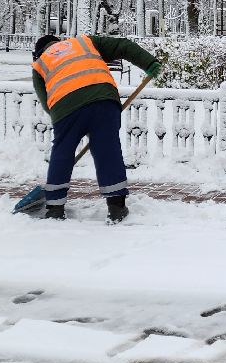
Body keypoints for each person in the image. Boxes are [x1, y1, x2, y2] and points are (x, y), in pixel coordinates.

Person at [31, 33, 161, 223]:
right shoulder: (84, 42)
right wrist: (150, 64)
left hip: (65, 108)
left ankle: (55, 208)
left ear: (39, 52)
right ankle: (116, 207)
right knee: (107, 150)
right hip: (103, 99)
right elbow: (123, 45)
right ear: (60, 41)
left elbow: (46, 102)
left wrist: (64, 125)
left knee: (62, 152)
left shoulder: (40, 64)